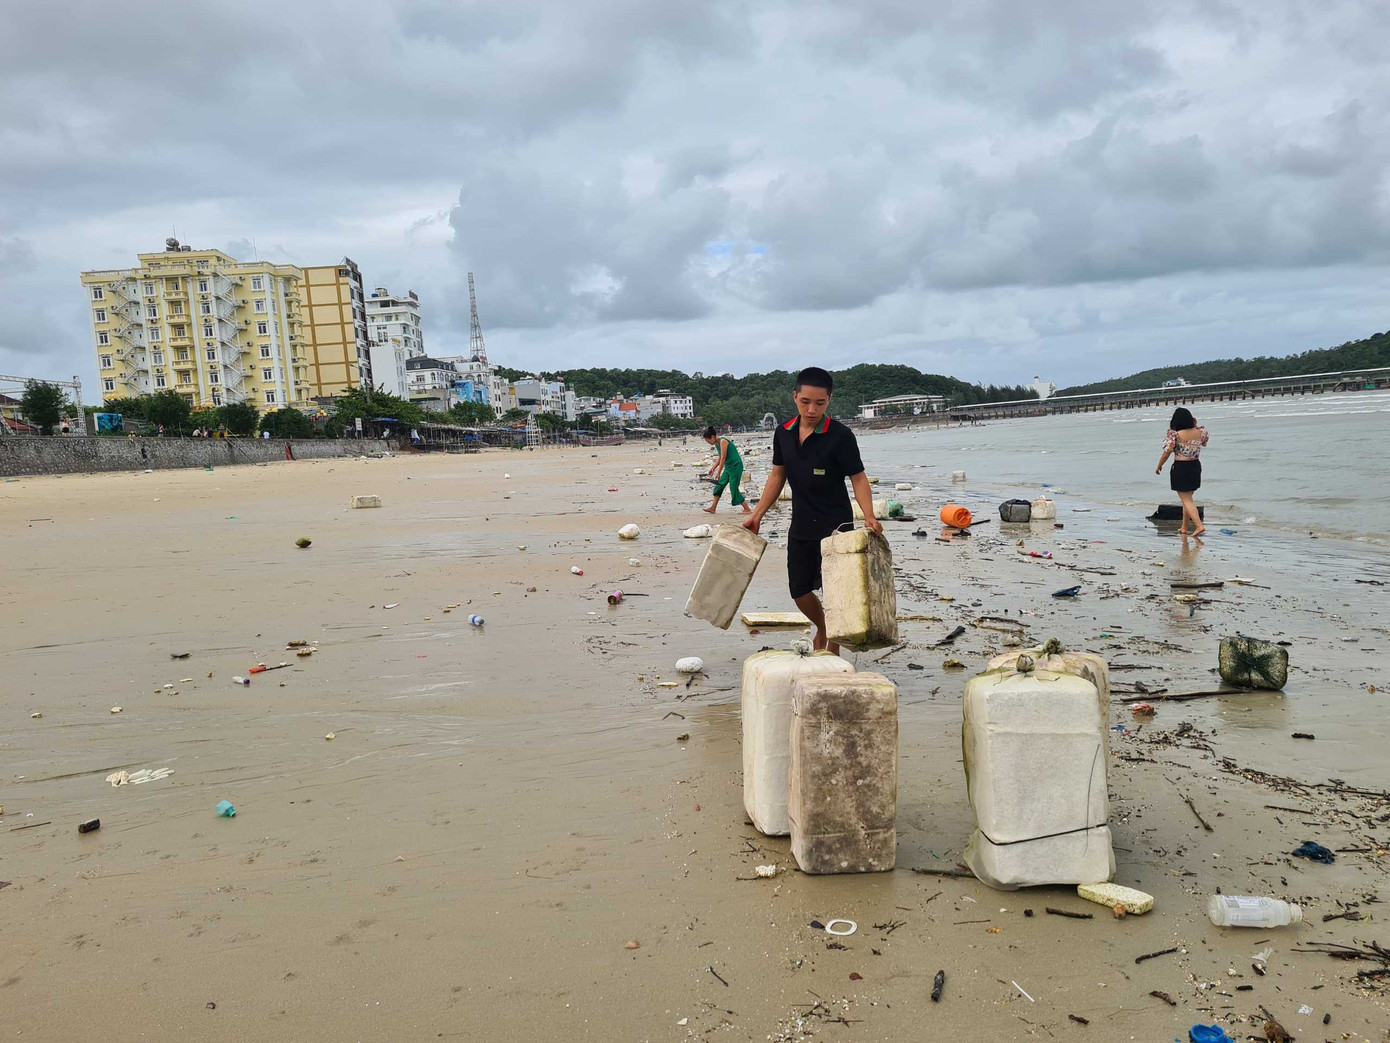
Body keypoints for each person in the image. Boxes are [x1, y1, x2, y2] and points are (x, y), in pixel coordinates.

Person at [743, 367, 880, 653]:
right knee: (799, 590)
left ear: (829, 400)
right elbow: (777, 476)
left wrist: (868, 515)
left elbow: (858, 478)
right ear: (795, 397)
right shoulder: (783, 433)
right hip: (802, 524)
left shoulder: (840, 436)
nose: (812, 409)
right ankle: (824, 627)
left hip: (837, 527)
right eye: (805, 401)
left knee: (836, 592)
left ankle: (833, 650)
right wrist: (757, 514)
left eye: (819, 403)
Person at [1156, 407, 1209, 538]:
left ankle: (1199, 526)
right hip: (1195, 466)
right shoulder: (1201, 432)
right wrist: (1195, 425)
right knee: (1188, 499)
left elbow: (1166, 452)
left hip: (1181, 467)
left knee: (1186, 500)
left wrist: (1159, 465)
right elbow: (1204, 443)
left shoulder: (1175, 435)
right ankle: (1184, 527)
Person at [702, 425, 751, 515]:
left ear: (712, 437)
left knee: (733, 488)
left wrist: (719, 472)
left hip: (736, 466)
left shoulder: (723, 441)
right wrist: (713, 468)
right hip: (728, 467)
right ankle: (713, 508)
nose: (708, 442)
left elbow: (723, 457)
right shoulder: (717, 443)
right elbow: (720, 456)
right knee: (719, 486)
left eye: (707, 440)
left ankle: (747, 509)